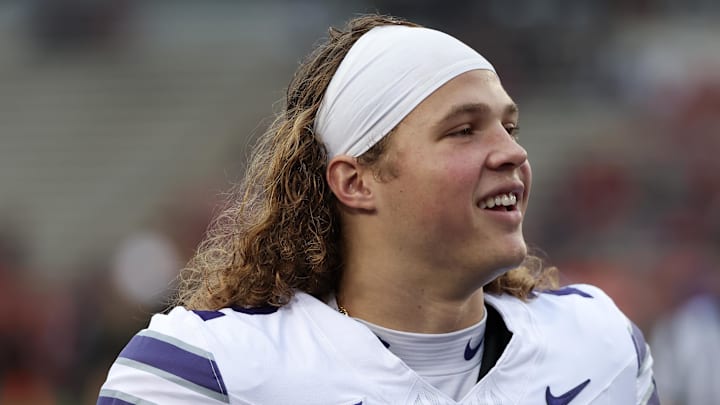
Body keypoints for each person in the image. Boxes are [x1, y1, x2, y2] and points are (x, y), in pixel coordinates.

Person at [97, 14, 659, 404]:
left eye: (509, 127)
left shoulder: (598, 343)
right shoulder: (207, 371)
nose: (513, 152)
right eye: (464, 130)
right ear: (356, 181)